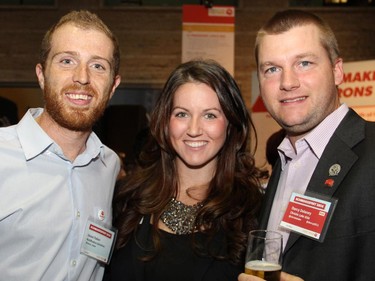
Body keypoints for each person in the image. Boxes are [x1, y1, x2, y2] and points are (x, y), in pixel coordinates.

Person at [239, 9, 375, 281]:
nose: (288, 82)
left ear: (337, 71)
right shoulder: (284, 161)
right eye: (272, 69)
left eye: (304, 63)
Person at [104, 59, 264, 281]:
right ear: (165, 122)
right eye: (182, 114)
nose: (194, 129)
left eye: (210, 115)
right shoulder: (126, 197)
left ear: (230, 124)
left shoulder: (253, 211)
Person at [0, 10, 121, 281]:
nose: (82, 77)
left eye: (98, 65)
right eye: (67, 61)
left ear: (113, 86)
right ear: (41, 75)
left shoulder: (109, 164)